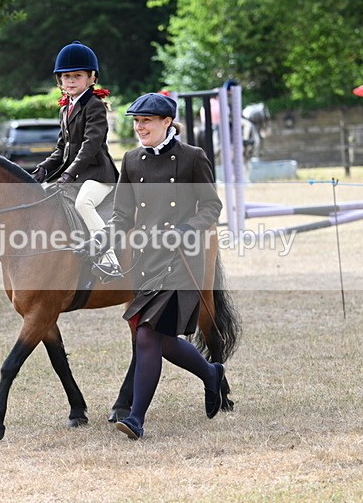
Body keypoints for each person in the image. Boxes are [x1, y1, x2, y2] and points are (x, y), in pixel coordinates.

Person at [79, 93, 225, 440]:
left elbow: (211, 207)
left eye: (146, 121)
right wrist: (102, 239)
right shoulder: (131, 160)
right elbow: (122, 215)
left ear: (166, 123)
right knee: (162, 340)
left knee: (145, 334)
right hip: (146, 261)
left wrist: (185, 230)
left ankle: (136, 418)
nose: (139, 127)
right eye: (136, 121)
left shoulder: (192, 158)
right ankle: (210, 373)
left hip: (181, 259)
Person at [31, 41, 121, 279]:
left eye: (77, 76)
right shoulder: (65, 109)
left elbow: (90, 146)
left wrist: (69, 174)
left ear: (92, 78)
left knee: (84, 204)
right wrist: (42, 169)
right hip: (76, 174)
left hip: (98, 176)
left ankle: (109, 258)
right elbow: (62, 148)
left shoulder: (95, 105)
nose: (70, 81)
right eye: (66, 76)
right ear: (59, 80)